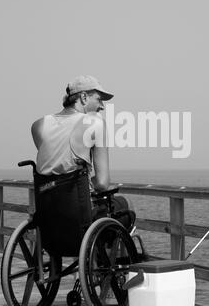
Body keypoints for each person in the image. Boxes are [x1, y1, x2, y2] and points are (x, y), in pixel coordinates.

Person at [31, 75, 135, 230]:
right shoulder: (96, 124)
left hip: (49, 216)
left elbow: (54, 166)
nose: (102, 106)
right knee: (126, 205)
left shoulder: (39, 125)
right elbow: (102, 182)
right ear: (84, 97)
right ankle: (104, 253)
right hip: (78, 216)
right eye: (99, 99)